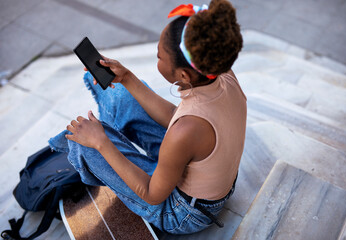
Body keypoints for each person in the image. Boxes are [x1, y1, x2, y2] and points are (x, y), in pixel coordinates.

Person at [49, 0, 246, 235]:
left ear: (183, 75)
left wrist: (101, 143)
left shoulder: (187, 130)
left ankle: (107, 150)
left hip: (182, 212)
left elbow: (151, 194)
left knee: (85, 143)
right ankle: (117, 146)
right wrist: (127, 77)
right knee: (121, 94)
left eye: (159, 56)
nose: (158, 59)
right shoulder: (223, 74)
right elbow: (176, 116)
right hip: (197, 172)